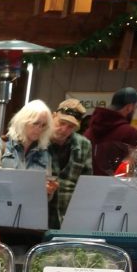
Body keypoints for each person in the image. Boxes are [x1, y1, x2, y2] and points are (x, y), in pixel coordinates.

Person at [47, 98, 92, 229]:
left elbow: (87, 185)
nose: (64, 129)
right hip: (40, 216)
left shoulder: (84, 145)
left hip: (69, 218)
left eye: (71, 126)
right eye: (62, 122)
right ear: (53, 116)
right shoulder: (38, 141)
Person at [85, 86, 137, 176]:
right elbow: (135, 167)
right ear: (129, 107)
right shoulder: (130, 133)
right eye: (135, 107)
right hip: (115, 187)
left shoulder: (89, 130)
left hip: (87, 185)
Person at [0, 99, 52, 171]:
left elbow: (47, 181)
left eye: (43, 125)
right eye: (35, 123)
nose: (39, 129)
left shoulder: (44, 154)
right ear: (23, 122)